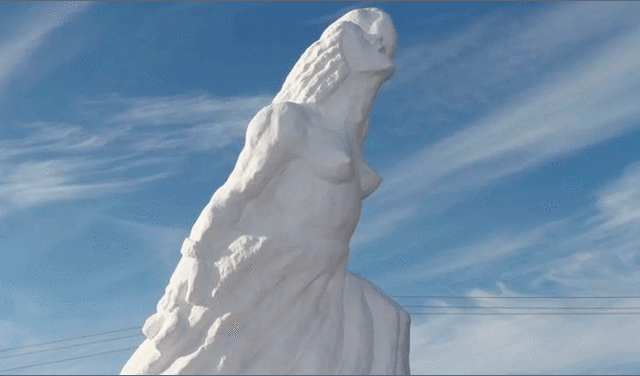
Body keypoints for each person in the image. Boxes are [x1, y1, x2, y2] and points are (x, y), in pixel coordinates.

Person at [121, 8, 410, 375]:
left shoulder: (352, 145)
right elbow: (235, 195)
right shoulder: (287, 121)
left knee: (387, 323)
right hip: (271, 267)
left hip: (326, 275)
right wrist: (197, 257)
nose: (384, 52)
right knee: (220, 354)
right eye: (376, 41)